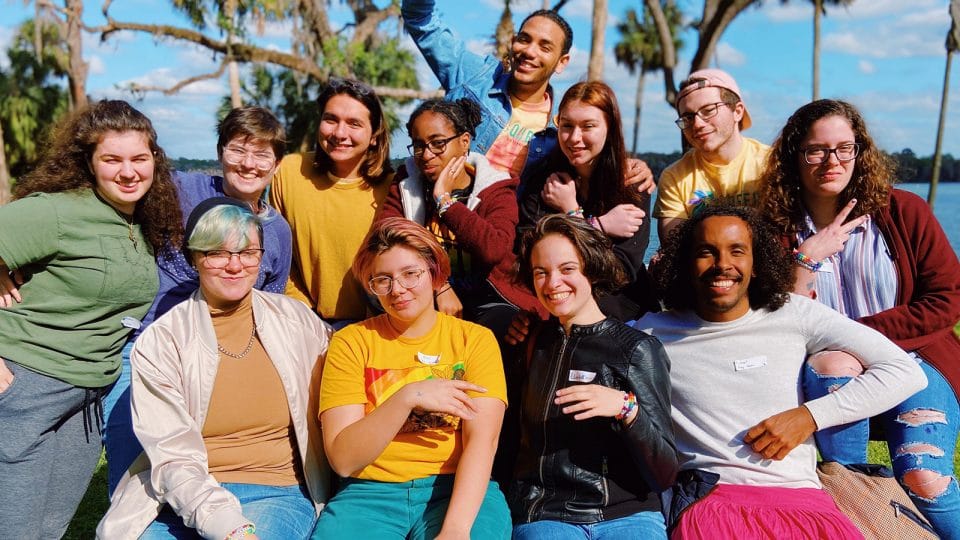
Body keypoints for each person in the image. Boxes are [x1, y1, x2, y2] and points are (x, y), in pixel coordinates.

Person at [632, 204, 926, 538]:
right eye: (706, 253)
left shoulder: (793, 313)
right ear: (685, 264)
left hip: (805, 505)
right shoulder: (651, 334)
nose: (723, 264)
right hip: (712, 504)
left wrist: (809, 417)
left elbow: (904, 370)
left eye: (737, 251)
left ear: (756, 264)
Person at [758, 99, 960, 538]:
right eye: (816, 150)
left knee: (924, 476)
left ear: (859, 151)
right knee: (845, 481)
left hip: (915, 360)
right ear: (795, 156)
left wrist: (858, 337)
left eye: (843, 148)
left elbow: (946, 298)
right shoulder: (775, 231)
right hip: (826, 368)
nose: (831, 161)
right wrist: (803, 261)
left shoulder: (903, 212)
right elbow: (771, 321)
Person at [0, 99, 182, 539]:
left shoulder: (136, 220)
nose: (128, 171)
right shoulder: (58, 211)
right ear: (88, 162)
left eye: (139, 158)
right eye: (111, 159)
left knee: (48, 527)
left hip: (85, 399)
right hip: (27, 387)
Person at [97, 200, 332, 540]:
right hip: (181, 496)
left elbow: (347, 377)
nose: (235, 265)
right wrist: (226, 525)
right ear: (194, 257)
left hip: (277, 492)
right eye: (217, 253)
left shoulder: (297, 322)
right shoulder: (163, 342)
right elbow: (172, 455)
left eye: (247, 252)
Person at [102, 105, 293, 494]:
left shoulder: (277, 233)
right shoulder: (180, 190)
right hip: (145, 340)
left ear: (276, 163)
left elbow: (268, 308)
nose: (248, 163)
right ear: (220, 151)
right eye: (238, 149)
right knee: (129, 448)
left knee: (196, 462)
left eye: (261, 154)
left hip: (218, 354)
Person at [311, 217, 511, 539]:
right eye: (383, 279)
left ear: (433, 273)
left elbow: (482, 441)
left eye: (410, 274)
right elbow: (344, 459)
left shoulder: (474, 340)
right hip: (369, 494)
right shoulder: (351, 342)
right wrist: (409, 397)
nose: (398, 289)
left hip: (454, 488)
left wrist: (456, 529)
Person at [509, 214, 677, 539]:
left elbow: (665, 472)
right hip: (546, 513)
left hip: (628, 513)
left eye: (567, 269)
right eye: (541, 272)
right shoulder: (531, 342)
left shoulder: (637, 349)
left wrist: (626, 408)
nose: (552, 283)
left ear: (592, 268)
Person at [400, 0, 654, 196]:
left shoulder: (560, 129)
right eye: (524, 39)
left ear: (562, 62)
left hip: (502, 241)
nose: (529, 51)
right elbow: (420, 20)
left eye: (545, 47)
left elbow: (592, 167)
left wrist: (633, 167)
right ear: (513, 42)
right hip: (440, 220)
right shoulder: (475, 75)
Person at [378, 97, 543, 335]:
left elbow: (494, 249)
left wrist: (445, 202)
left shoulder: (495, 188)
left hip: (488, 295)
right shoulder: (408, 181)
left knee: (506, 329)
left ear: (464, 142)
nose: (426, 155)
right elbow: (386, 236)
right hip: (427, 291)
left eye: (438, 143)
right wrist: (439, 285)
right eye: (418, 145)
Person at [520, 81, 655, 321]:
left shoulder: (631, 184)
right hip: (557, 309)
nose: (574, 138)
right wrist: (599, 226)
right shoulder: (543, 181)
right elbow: (530, 255)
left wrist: (573, 212)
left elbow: (620, 272)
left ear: (609, 128)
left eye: (588, 126)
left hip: (622, 315)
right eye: (567, 126)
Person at [270, 78, 393, 327]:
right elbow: (278, 253)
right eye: (331, 119)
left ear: (374, 135)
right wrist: (302, 312)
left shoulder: (394, 188)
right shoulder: (290, 172)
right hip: (305, 321)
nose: (339, 133)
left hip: (380, 325)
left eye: (354, 124)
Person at [654, 69, 769, 239]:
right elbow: (674, 247)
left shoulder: (771, 163)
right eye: (688, 118)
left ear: (737, 111)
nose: (697, 124)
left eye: (708, 110)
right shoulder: (674, 177)